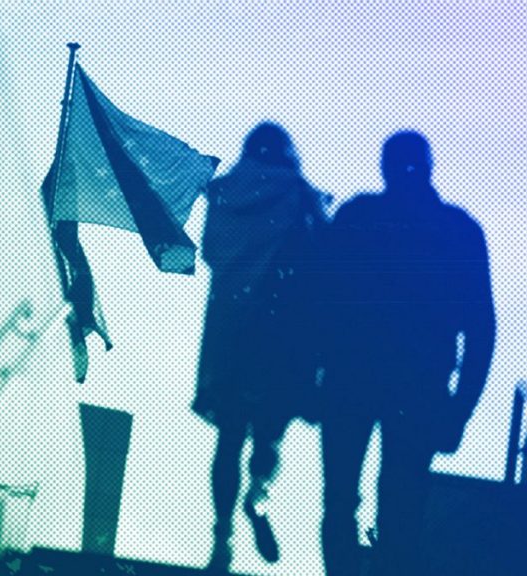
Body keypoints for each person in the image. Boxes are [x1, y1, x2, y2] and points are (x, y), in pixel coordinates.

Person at [318, 131, 495, 576]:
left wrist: (308, 376)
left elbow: (315, 302)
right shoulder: (458, 232)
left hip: (352, 382)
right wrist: (460, 409)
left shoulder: (358, 217)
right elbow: (481, 331)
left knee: (342, 501)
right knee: (399, 509)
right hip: (416, 390)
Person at [194, 122, 327, 572]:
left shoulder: (224, 195)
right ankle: (259, 496)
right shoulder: (297, 193)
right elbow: (322, 257)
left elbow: (211, 253)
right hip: (281, 336)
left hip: (230, 333)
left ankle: (222, 535)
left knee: (229, 438)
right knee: (269, 434)